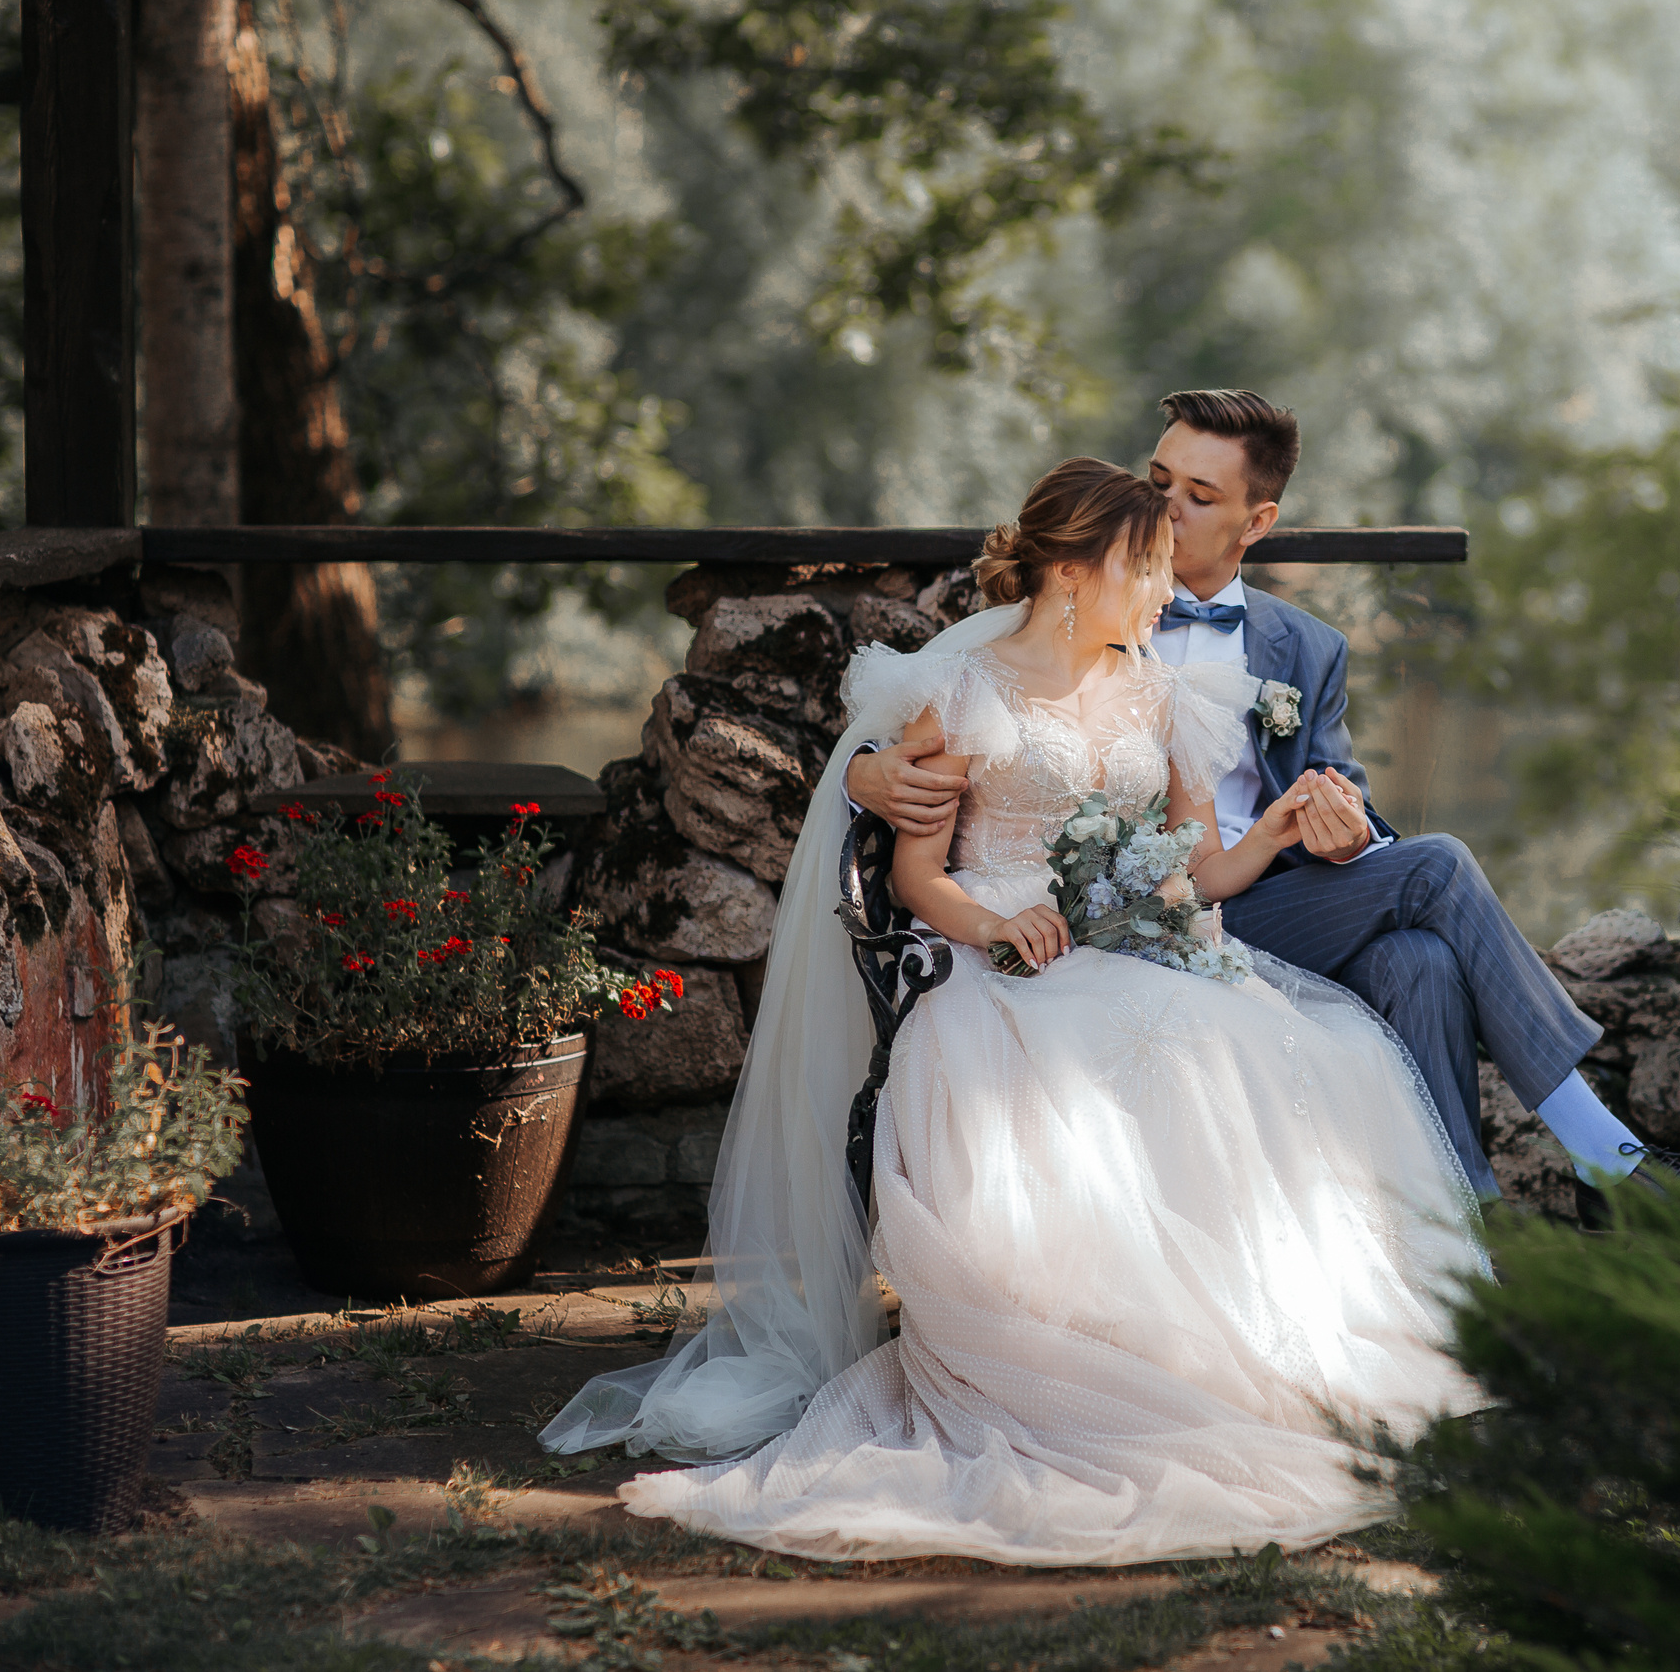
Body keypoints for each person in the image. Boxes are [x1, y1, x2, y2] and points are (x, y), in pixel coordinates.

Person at [542, 458, 1489, 1564]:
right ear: (1077, 571)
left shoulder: (1158, 690)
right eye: (1146, 565)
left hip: (1122, 946)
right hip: (986, 959)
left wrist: (1273, 831)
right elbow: (915, 880)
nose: (1166, 587)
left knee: (1278, 1050)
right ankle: (1096, 1352)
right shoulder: (961, 691)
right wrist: (991, 927)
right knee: (1113, 1064)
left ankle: (1236, 1349)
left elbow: (1194, 875)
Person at [851, 391, 1680, 1211]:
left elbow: (1348, 806)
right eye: (1160, 478)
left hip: (1246, 894)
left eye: (1199, 498)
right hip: (1121, 919)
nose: (1165, 510)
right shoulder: (1074, 587)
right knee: (1436, 896)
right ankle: (1591, 1165)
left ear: (1256, 524)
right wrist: (868, 773)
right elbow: (935, 719)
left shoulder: (1304, 647)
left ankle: (1480, 1223)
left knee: (1420, 941)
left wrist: (1338, 835)